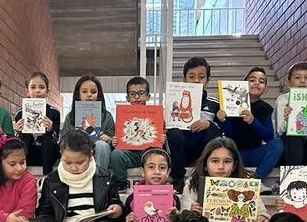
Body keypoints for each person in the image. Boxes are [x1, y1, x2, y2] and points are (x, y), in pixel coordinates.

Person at [36, 129, 122, 222]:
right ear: (61, 154)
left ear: (90, 155)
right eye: (68, 162)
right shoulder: (52, 181)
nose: (74, 168)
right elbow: (44, 213)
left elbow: (116, 205)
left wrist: (117, 210)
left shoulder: (105, 177)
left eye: (80, 162)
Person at [181, 137, 270, 222]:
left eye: (227, 161)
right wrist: (190, 212)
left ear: (234, 166)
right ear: (205, 164)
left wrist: (261, 218)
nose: (221, 167)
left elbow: (263, 215)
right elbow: (181, 219)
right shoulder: (193, 184)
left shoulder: (246, 185)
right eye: (215, 161)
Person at [166, 57, 226, 192]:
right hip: (180, 149)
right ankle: (177, 179)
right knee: (173, 132)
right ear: (184, 80)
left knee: (212, 133)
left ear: (208, 80)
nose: (196, 80)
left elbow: (222, 130)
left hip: (202, 149)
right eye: (191, 76)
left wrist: (209, 124)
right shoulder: (174, 101)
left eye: (201, 77)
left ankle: (204, 178)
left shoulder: (215, 103)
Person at [223, 67, 283, 188]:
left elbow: (269, 137)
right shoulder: (230, 103)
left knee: (278, 143)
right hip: (233, 153)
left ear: (265, 90)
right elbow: (226, 133)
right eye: (252, 80)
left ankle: (256, 180)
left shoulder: (266, 108)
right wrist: (222, 119)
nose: (256, 83)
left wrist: (253, 121)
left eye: (261, 81)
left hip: (254, 153)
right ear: (243, 85)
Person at [109, 77, 157, 190]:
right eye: (132, 94)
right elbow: (118, 139)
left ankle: (157, 184)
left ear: (148, 96)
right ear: (127, 97)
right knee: (116, 154)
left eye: (141, 93)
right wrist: (114, 142)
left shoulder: (156, 115)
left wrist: (162, 139)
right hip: (130, 154)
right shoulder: (121, 117)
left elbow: (159, 139)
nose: (137, 97)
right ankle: (121, 182)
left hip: (150, 153)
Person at [60, 74, 115, 171]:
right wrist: (73, 137)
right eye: (84, 91)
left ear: (98, 95)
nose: (89, 94)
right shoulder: (70, 116)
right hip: (76, 152)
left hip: (98, 151)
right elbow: (62, 141)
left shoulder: (107, 116)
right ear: (78, 94)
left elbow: (114, 143)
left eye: (93, 92)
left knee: (102, 145)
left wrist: (108, 139)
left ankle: (100, 177)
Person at [14, 71, 61, 175]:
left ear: (47, 91)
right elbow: (16, 140)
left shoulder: (54, 112)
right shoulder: (20, 113)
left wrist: (50, 129)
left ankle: (47, 176)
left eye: (41, 87)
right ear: (27, 91)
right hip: (28, 153)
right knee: (23, 139)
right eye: (33, 87)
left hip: (48, 155)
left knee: (47, 140)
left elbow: (56, 138)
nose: (37, 91)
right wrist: (18, 131)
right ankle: (22, 174)